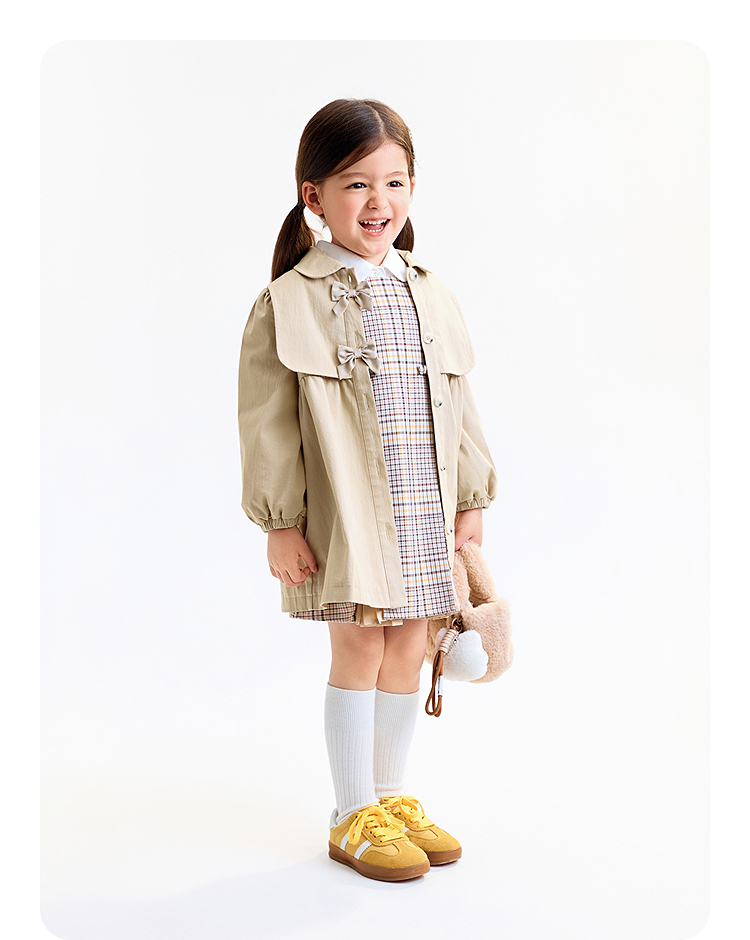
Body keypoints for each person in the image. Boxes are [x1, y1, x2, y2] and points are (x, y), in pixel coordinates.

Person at [238, 98, 497, 882]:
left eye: (394, 182)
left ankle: (390, 794)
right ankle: (352, 812)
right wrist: (280, 522)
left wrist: (472, 497)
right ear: (313, 196)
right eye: (356, 184)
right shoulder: (288, 301)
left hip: (423, 505)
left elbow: (460, 402)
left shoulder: (431, 292)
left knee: (412, 644)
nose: (378, 201)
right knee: (360, 644)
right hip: (347, 511)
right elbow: (266, 425)